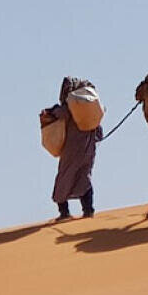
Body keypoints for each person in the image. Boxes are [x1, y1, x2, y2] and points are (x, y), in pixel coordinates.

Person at [47, 77, 102, 220]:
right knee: (84, 178)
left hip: (72, 149)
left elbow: (60, 114)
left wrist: (52, 111)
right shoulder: (88, 108)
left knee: (64, 178)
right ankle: (88, 210)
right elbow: (99, 130)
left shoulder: (70, 107)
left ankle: (64, 213)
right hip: (89, 149)